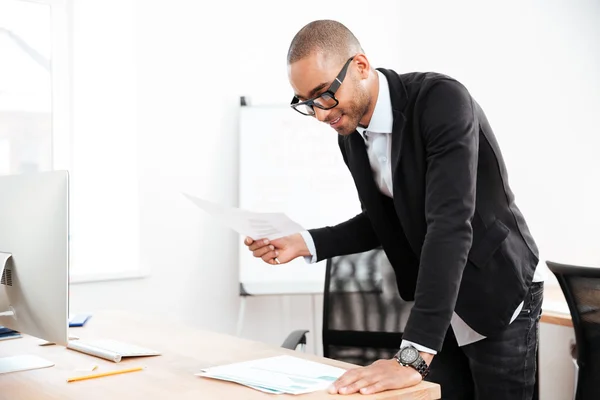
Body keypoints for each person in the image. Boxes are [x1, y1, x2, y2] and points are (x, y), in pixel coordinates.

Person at [244, 19, 545, 400]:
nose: (320, 114)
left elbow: (449, 225)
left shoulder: (441, 101)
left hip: (496, 286)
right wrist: (305, 243)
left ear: (361, 66)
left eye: (323, 95)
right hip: (442, 298)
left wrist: (411, 358)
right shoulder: (351, 134)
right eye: (306, 103)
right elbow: (382, 222)